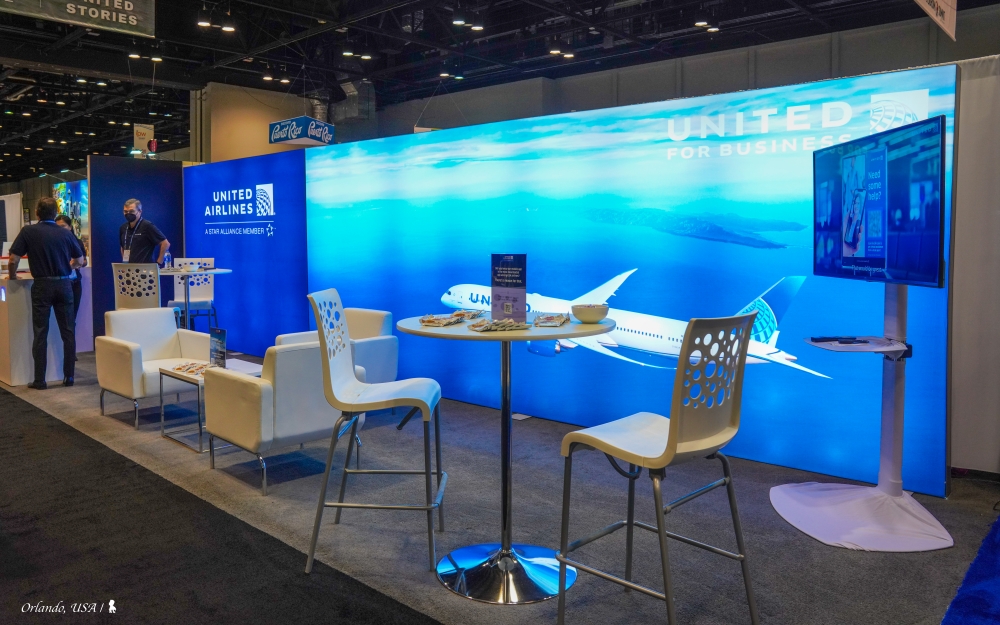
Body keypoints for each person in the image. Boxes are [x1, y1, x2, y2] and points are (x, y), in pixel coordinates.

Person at [7, 197, 86, 389]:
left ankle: (40, 380)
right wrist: (67, 268)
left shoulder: (28, 231)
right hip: (64, 285)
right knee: (68, 332)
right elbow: (79, 260)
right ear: (55, 212)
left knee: (40, 332)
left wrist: (13, 276)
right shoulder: (66, 233)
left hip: (42, 285)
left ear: (37, 213)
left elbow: (13, 259)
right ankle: (69, 377)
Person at [54, 214, 87, 320]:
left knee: (72, 316)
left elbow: (84, 261)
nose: (60, 229)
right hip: (59, 282)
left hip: (74, 281)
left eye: (63, 226)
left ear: (70, 227)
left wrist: (76, 263)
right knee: (62, 318)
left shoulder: (77, 242)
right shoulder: (52, 242)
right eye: (57, 226)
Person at [119, 198, 169, 265]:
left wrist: (158, 263)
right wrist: (125, 264)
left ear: (140, 211)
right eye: (125, 211)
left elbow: (165, 244)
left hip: (145, 268)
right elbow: (123, 247)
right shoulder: (123, 228)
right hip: (129, 268)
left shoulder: (147, 226)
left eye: (131, 211)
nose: (128, 214)